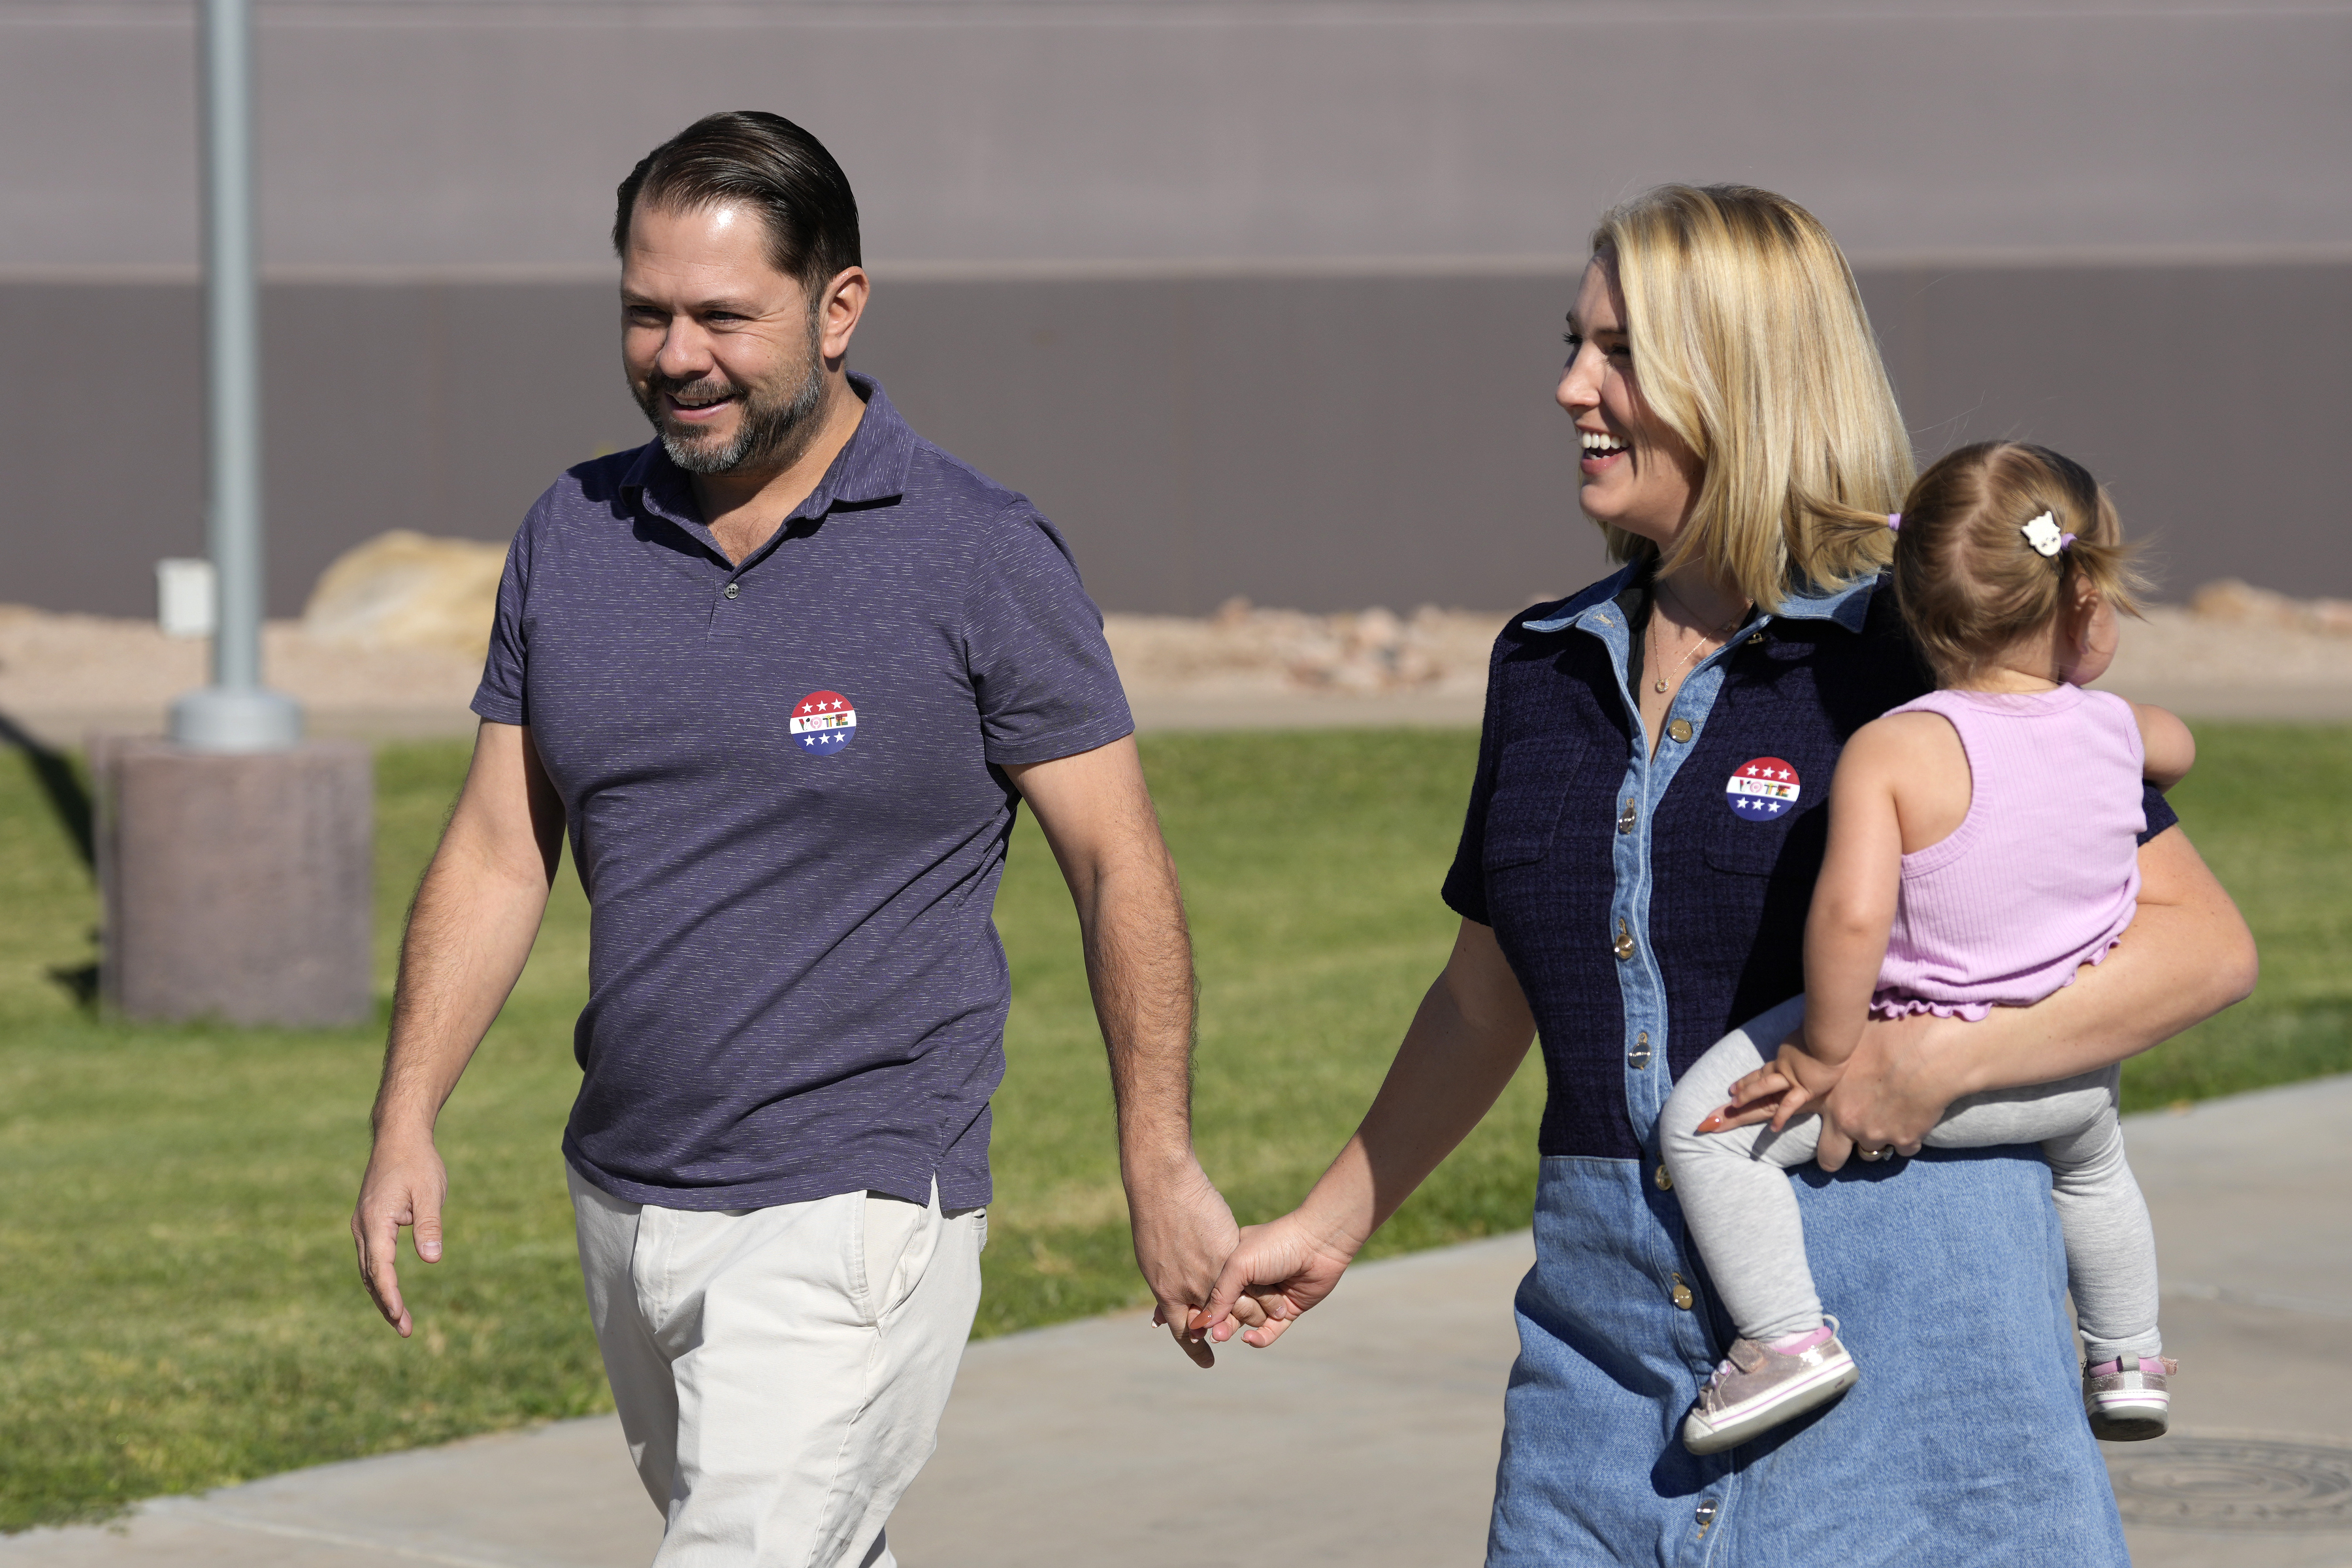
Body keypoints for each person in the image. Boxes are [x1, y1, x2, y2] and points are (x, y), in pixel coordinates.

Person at [1192, 185, 2256, 1565]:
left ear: (1742, 380)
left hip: (1916, 1380)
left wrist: (1938, 1065)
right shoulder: (1547, 664)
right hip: (1607, 1395)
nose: (1572, 385)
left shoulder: (1914, 645)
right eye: (1578, 342)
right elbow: (1486, 994)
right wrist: (1334, 1223)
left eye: (1622, 353)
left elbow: (2200, 944)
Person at [350, 111, 1239, 1568]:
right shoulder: (570, 537)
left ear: (839, 308)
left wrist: (1157, 1154)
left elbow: (1117, 861)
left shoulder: (975, 552)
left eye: (722, 316)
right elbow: (502, 852)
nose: (677, 355)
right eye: (645, 314)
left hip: (859, 1196)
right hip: (627, 1189)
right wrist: (406, 1114)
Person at [1659, 441, 2200, 1456]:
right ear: (2085, 600)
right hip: (2070, 1073)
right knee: (2097, 1178)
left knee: (1702, 1131)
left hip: (1922, 1058)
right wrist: (2095, 696)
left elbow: (1853, 919)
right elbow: (2181, 746)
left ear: (1913, 609)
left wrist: (1822, 1053)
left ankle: (1784, 1339)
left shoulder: (1895, 748)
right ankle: (2128, 1354)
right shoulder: (2121, 733)